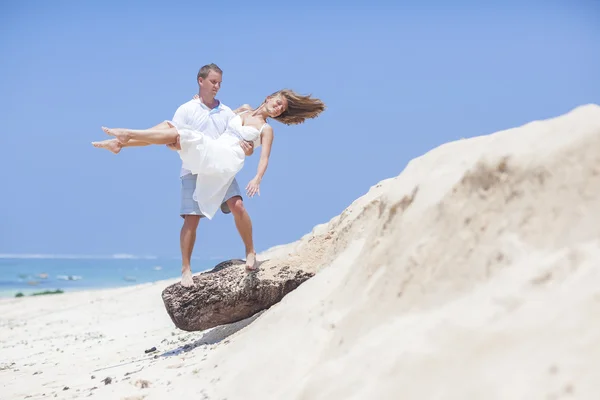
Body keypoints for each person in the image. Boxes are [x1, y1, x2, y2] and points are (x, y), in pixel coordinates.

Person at [93, 64, 326, 287]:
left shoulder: (267, 129)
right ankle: (122, 141)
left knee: (238, 206)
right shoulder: (239, 109)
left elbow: (264, 157)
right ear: (268, 98)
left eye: (281, 109)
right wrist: (199, 104)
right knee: (176, 134)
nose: (277, 109)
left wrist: (257, 177)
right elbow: (219, 120)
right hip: (212, 151)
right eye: (277, 103)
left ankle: (250, 251)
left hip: (227, 161)